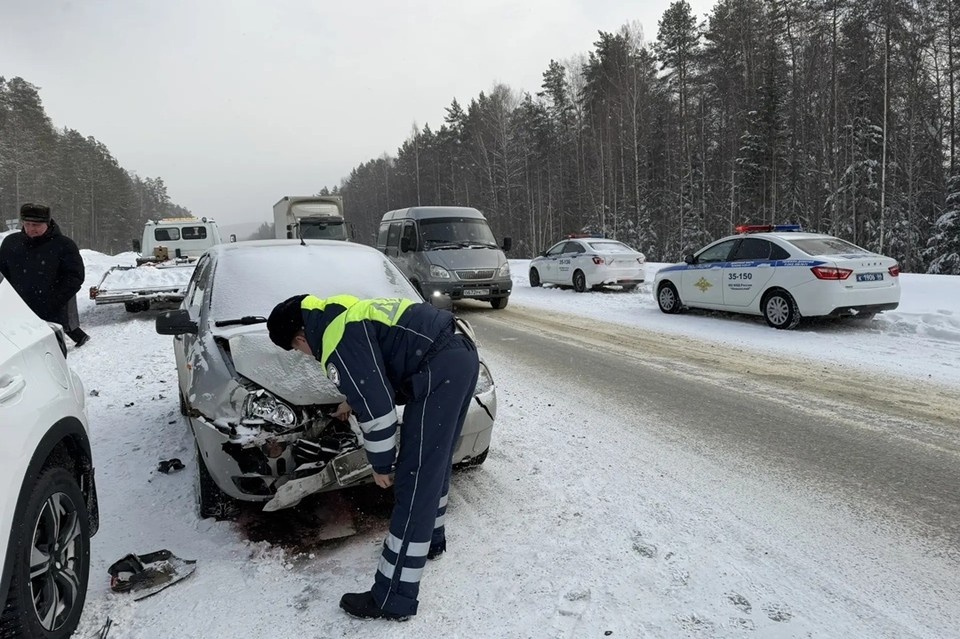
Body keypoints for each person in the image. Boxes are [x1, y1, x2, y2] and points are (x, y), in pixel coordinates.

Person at [267, 294, 479, 621]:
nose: (305, 355)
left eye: (298, 350)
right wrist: (353, 400)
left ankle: (392, 597)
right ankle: (431, 540)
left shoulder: (333, 336)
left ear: (299, 338)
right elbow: (383, 359)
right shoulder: (340, 312)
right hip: (459, 354)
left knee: (414, 480)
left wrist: (381, 465)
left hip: (439, 370)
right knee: (433, 466)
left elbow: (379, 412)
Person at [0, 203, 90, 346]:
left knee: (52, 361)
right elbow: (3, 274)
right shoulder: (11, 243)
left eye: (36, 225)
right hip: (18, 315)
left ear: (47, 223)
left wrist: (54, 302)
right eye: (27, 223)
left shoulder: (64, 245)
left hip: (52, 315)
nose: (30, 229)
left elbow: (75, 277)